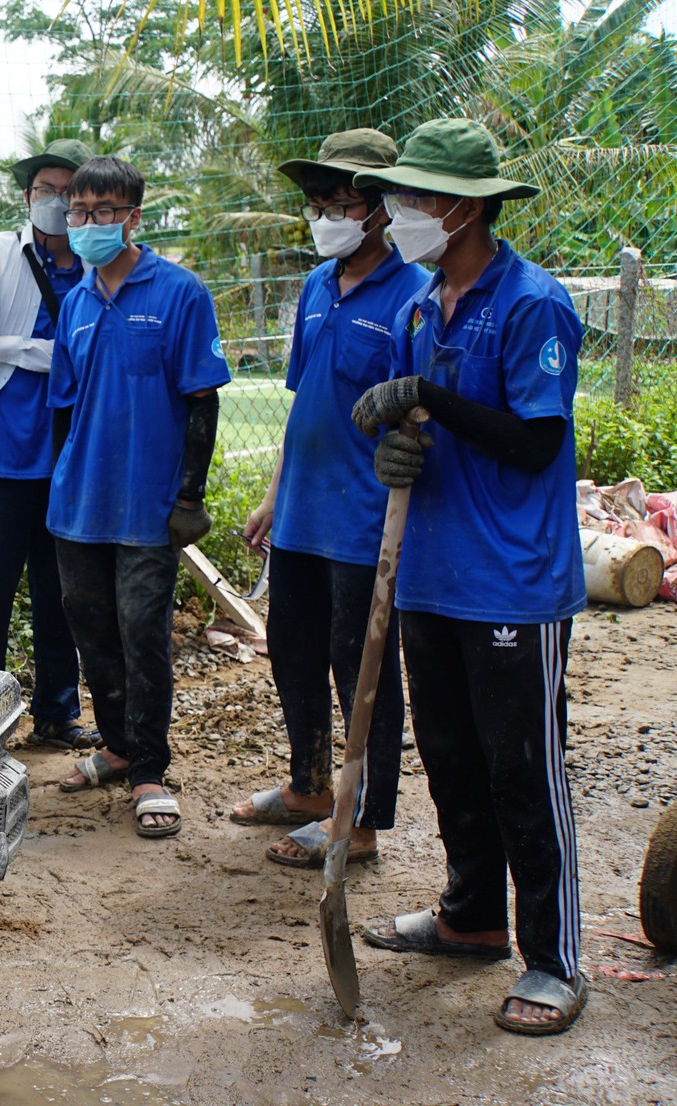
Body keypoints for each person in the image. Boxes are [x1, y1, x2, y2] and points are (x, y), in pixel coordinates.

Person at [348, 118, 588, 1035]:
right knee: (449, 759)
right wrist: (396, 450)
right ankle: (472, 915)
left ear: (467, 206)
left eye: (415, 198)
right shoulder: (420, 305)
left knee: (523, 769)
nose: (400, 212)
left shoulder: (532, 303)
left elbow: (534, 443)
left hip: (512, 583)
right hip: (429, 573)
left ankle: (556, 959)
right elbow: (422, 430)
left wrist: (428, 399)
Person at [224, 129, 429, 870]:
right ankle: (309, 785)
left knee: (360, 662)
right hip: (307, 511)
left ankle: (362, 819)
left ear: (380, 208)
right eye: (317, 203)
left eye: (339, 202)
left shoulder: (414, 292)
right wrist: (277, 494)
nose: (325, 217)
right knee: (293, 650)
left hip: (367, 517)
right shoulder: (317, 287)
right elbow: (304, 402)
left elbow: (422, 416)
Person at [46, 156, 228, 838]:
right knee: (91, 630)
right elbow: (65, 406)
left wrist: (190, 496)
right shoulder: (75, 303)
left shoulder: (180, 293)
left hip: (149, 506)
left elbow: (201, 401)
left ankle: (151, 767)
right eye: (80, 212)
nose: (89, 223)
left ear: (133, 218)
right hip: (79, 505)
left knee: (143, 634)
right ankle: (117, 746)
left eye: (103, 211)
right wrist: (62, 482)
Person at [0, 138, 94, 751]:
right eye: (44, 191)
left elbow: (89, 358)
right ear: (27, 197)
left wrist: (19, 348)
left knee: (64, 591)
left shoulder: (97, 263)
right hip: (3, 447)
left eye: (68, 193)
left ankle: (60, 713)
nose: (55, 203)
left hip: (71, 450)